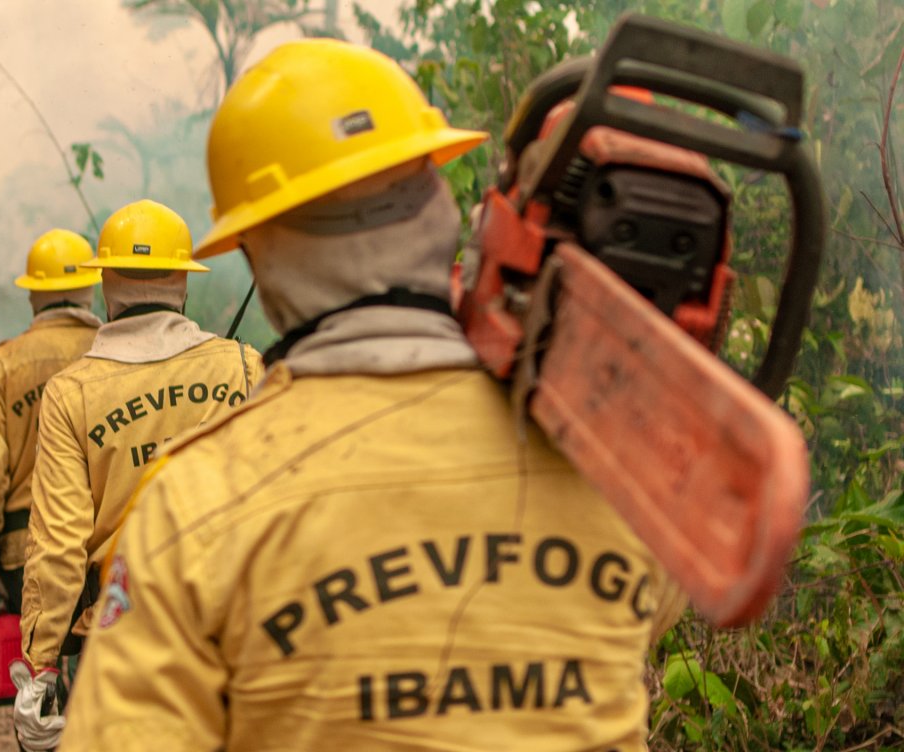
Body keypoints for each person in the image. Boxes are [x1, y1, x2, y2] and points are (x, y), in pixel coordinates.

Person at [59, 39, 685, 751]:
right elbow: (647, 606)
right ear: (446, 205)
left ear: (259, 252)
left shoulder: (190, 504)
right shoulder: (602, 447)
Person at [11, 199, 265, 751]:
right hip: (233, 625)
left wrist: (41, 663)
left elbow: (58, 544)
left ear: (104, 284)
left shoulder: (71, 394)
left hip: (115, 636)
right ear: (183, 279)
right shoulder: (242, 367)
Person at [0, 229, 103, 617]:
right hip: (107, 547)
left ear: (33, 294)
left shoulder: (3, 363)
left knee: (38, 667)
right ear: (91, 289)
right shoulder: (115, 352)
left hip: (27, 552)